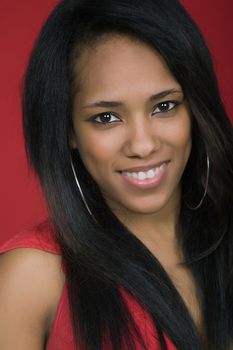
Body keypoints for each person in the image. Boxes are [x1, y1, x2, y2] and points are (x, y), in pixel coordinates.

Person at [0, 0, 233, 349]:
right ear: (69, 132)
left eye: (164, 106)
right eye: (106, 117)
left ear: (196, 109)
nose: (142, 145)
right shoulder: (33, 277)